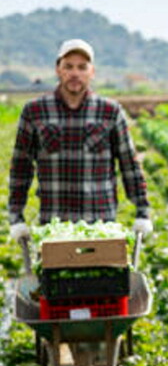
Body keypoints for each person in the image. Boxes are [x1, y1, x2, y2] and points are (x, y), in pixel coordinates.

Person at [8, 38, 152, 241]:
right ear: (58, 70)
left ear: (92, 72)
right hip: (54, 227)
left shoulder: (110, 111)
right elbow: (20, 168)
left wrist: (142, 211)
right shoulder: (35, 111)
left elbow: (130, 164)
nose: (75, 73)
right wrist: (16, 216)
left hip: (101, 227)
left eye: (82, 67)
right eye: (68, 66)